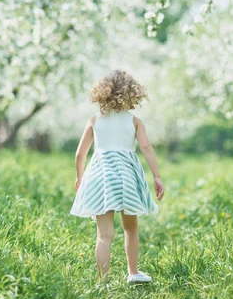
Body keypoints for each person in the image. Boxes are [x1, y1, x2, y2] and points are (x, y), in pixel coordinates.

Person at [70, 70, 165, 284]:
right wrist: (157, 176)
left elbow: (80, 153)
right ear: (132, 93)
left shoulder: (94, 120)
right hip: (125, 176)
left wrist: (80, 177)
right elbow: (146, 147)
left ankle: (102, 283)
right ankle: (133, 272)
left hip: (100, 176)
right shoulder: (135, 121)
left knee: (104, 235)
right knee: (131, 227)